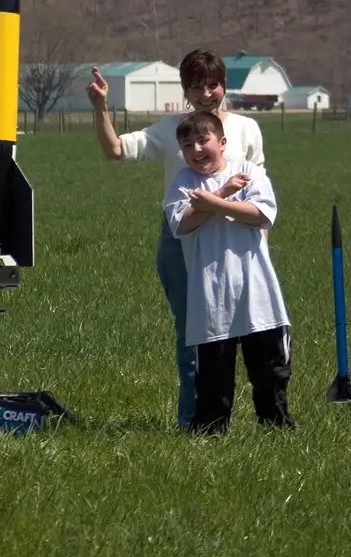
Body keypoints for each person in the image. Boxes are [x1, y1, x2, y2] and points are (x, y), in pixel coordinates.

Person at [87, 49, 265, 427]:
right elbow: (115, 150)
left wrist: (259, 239)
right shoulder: (171, 130)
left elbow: (260, 190)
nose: (205, 94)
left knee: (245, 335)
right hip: (182, 240)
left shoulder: (247, 129)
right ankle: (194, 422)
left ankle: (241, 417)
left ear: (224, 85)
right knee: (192, 336)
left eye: (212, 85)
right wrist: (100, 106)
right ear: (185, 91)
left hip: (234, 243)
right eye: (196, 87)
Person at [163, 111, 294, 433]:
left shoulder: (247, 172)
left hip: (256, 292)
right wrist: (221, 195)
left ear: (222, 142)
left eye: (203, 140)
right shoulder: (184, 181)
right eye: (187, 144)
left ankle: (275, 429)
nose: (196, 149)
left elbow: (260, 214)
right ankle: (211, 433)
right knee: (213, 376)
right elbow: (182, 223)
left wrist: (211, 204)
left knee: (270, 371)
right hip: (211, 295)